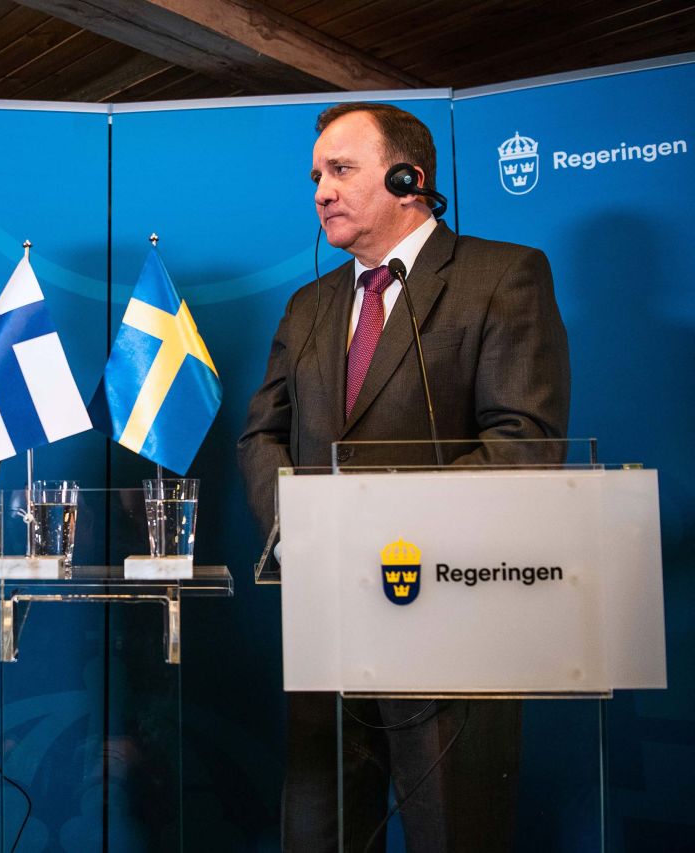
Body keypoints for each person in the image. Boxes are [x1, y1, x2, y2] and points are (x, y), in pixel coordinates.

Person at [238, 103, 570, 851]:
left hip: (453, 624)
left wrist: (381, 528)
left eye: (341, 170)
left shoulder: (502, 275)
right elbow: (261, 434)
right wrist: (298, 533)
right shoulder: (310, 304)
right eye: (316, 175)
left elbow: (524, 443)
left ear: (408, 178)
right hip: (328, 626)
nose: (321, 189)